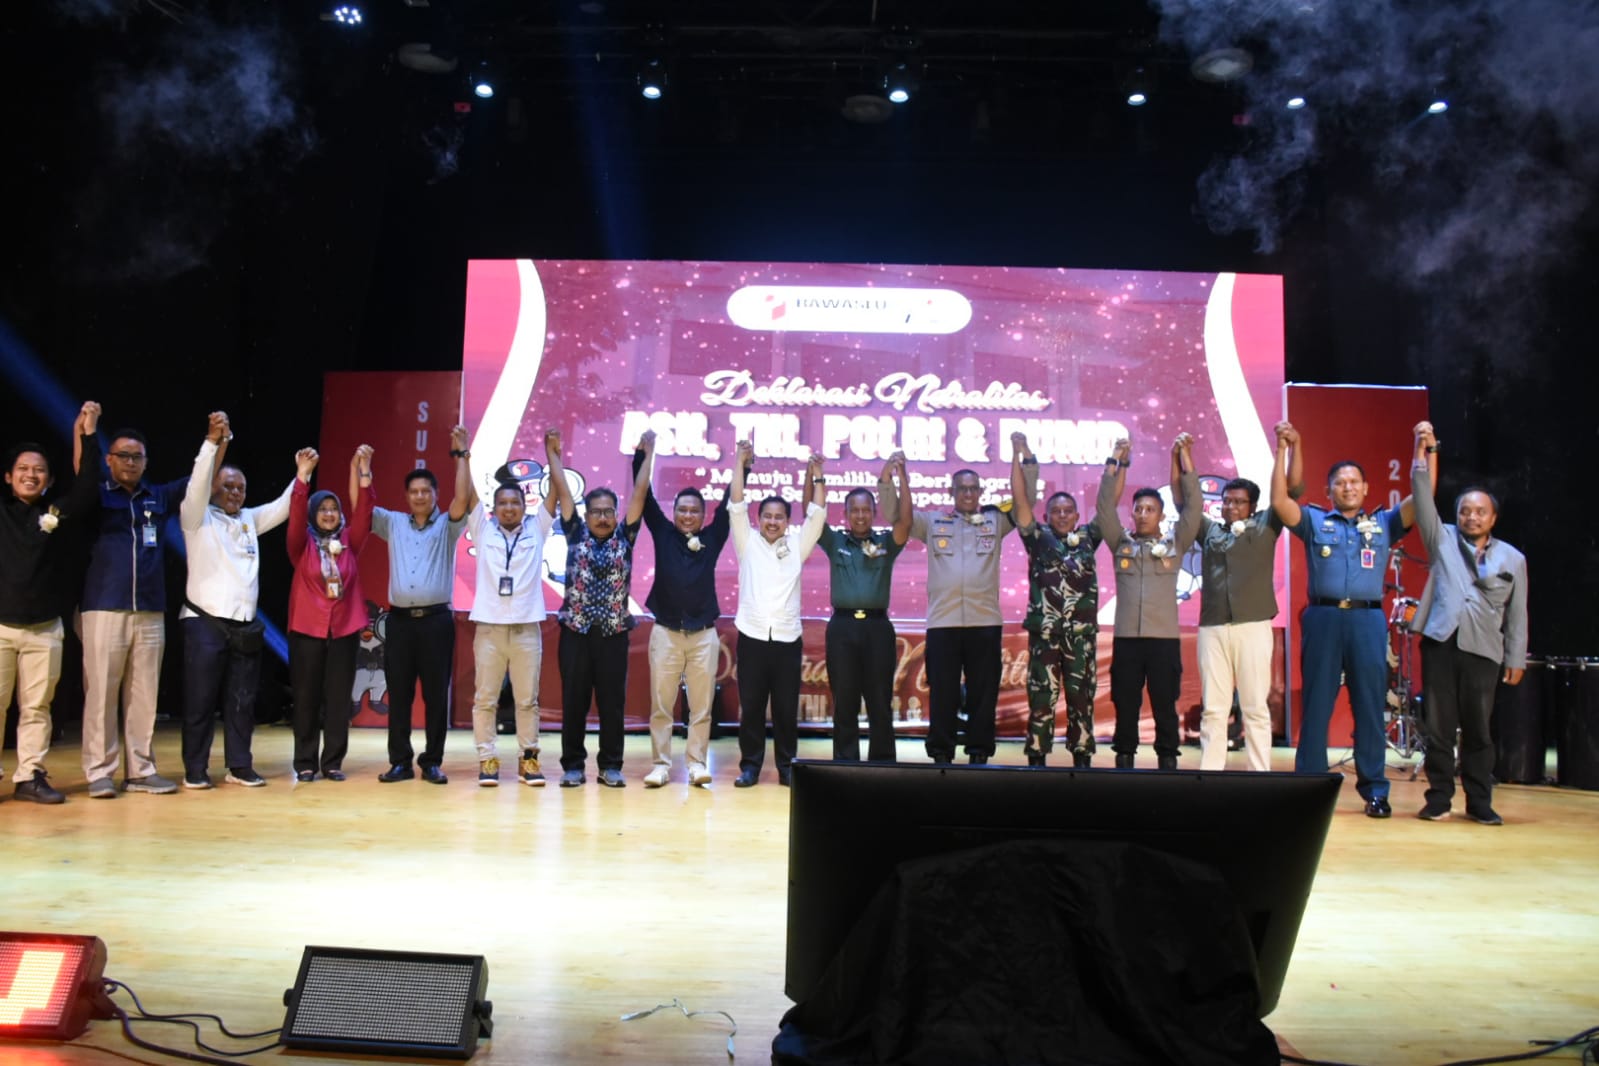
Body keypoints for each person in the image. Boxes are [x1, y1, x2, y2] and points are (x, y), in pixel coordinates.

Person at [1272, 420, 1431, 818]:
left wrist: (1422, 448)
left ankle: (1375, 790)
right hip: (1324, 618)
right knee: (1316, 706)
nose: (1347, 487)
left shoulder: (1384, 523)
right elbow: (1279, 503)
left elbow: (1422, 497)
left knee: (1369, 707)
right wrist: (1284, 449)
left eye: (1354, 482)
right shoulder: (1314, 521)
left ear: (1366, 488)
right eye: (1340, 483)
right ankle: (1307, 788)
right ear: (1329, 491)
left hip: (1367, 621)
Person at [80, 412, 226, 798]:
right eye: (123, 455)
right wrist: (86, 433)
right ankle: (99, 772)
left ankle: (141, 771)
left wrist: (215, 442)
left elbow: (202, 481)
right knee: (101, 693)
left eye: (137, 457)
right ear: (109, 459)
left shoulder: (156, 497)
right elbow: (81, 476)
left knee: (144, 694)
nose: (130, 462)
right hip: (104, 606)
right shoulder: (96, 495)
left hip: (149, 608)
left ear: (145, 462)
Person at [1408, 425, 1527, 825]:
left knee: (1479, 730)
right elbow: (1422, 498)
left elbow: (1518, 613)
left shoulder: (1513, 559)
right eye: (1464, 511)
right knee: (1438, 728)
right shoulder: (1441, 538)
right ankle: (1439, 798)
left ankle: (1479, 802)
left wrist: (1516, 658)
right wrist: (1422, 450)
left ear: (1493, 518)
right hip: (1441, 643)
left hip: (1484, 650)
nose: (1471, 517)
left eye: (1479, 512)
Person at [1173, 431, 1301, 772]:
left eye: (1238, 502)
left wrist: (1286, 449)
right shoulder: (1210, 530)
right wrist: (1182, 455)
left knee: (1254, 706)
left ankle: (1259, 775)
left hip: (1253, 626)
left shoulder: (1267, 524)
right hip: (1213, 627)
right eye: (1226, 501)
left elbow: (1290, 491)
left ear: (1252, 506)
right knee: (1214, 708)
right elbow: (1184, 502)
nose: (1230, 506)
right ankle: (1210, 774)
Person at [878, 458, 1019, 765]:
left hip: (985, 622)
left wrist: (1022, 459)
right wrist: (890, 479)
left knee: (983, 692)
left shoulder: (995, 521)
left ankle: (979, 751)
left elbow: (1024, 504)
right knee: (943, 691)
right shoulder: (933, 522)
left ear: (980, 492)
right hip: (944, 622)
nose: (968, 494)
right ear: (951, 492)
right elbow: (896, 516)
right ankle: (942, 752)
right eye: (962, 489)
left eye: (973, 488)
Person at [178, 425, 295, 788]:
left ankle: (239, 766)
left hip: (244, 625)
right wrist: (213, 443)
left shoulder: (248, 520)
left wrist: (303, 475)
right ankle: (195, 769)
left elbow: (282, 508)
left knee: (242, 702)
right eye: (227, 486)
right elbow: (198, 480)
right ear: (213, 488)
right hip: (205, 623)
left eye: (240, 488)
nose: (234, 493)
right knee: (200, 701)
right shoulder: (196, 516)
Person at [1, 402, 103, 804]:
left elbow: (88, 487)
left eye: (39, 470)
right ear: (8, 476)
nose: (31, 475)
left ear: (49, 479)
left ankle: (30, 775)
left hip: (45, 628)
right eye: (23, 469)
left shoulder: (55, 513)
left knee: (37, 707)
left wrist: (87, 434)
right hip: (2, 627)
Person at [548, 431, 652, 789]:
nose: (604, 517)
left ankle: (610, 766)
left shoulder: (625, 537)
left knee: (612, 704)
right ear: (586, 514)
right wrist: (553, 454)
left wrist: (648, 455)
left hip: (613, 636)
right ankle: (573, 766)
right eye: (597, 512)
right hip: (575, 634)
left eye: (609, 511)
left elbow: (640, 493)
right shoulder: (575, 533)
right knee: (574, 703)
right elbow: (563, 491)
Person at [371, 425, 473, 785]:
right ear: (406, 496)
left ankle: (432, 762)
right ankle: (400, 761)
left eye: (425, 491)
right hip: (399, 622)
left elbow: (463, 498)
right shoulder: (392, 523)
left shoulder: (446, 525)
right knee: (399, 694)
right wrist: (362, 471)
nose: (419, 496)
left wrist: (461, 454)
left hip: (436, 623)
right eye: (413, 491)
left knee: (435, 695)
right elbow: (362, 507)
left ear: (435, 494)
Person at [1096, 436, 1202, 769]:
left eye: (1150, 510)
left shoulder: (1175, 542)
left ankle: (1167, 757)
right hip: (1127, 638)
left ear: (1161, 515)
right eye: (1138, 509)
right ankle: (1125, 756)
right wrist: (1116, 462)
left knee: (1164, 703)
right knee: (1125, 702)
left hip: (1163, 640)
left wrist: (1185, 458)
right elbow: (1104, 508)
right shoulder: (1121, 544)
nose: (1143, 515)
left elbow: (1194, 508)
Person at [729, 443, 828, 788]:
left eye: (779, 517)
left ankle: (787, 767)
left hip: (787, 639)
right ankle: (750, 767)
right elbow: (736, 504)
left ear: (787, 521)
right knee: (752, 707)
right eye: (767, 516)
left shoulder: (797, 545)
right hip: (752, 637)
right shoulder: (747, 542)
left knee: (786, 709)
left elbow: (817, 514)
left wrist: (818, 475)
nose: (773, 522)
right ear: (759, 519)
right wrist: (739, 461)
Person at [463, 432, 558, 787]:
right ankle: (487, 759)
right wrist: (463, 456)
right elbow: (468, 493)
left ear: (524, 506)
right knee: (485, 699)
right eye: (502, 503)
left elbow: (556, 495)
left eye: (514, 502)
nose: (508, 508)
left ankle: (528, 760)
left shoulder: (537, 528)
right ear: (494, 507)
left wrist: (552, 454)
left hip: (526, 630)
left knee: (527, 701)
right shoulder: (483, 529)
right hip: (488, 629)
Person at [635, 440, 731, 787]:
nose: (687, 515)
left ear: (703, 516)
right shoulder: (663, 533)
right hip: (666, 632)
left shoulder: (713, 538)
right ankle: (660, 765)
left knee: (701, 708)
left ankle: (696, 763)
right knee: (662, 706)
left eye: (694, 511)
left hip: (704, 634)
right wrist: (643, 456)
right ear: (673, 512)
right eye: (682, 510)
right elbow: (644, 498)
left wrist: (743, 466)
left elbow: (729, 505)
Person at [1010, 432, 1104, 768]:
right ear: (1047, 516)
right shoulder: (1038, 538)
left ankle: (1082, 757)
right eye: (1056, 511)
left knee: (1081, 699)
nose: (1062, 515)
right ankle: (1037, 757)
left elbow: (1107, 503)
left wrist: (1117, 464)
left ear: (1077, 516)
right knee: (1041, 698)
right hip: (1046, 635)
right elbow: (1020, 501)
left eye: (1068, 511)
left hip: (1080, 637)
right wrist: (1018, 455)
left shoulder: (1089, 537)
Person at [286, 444, 375, 783]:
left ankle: (333, 761)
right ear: (314, 514)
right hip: (307, 630)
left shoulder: (350, 541)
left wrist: (364, 473)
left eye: (333, 509)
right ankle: (305, 762)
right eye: (322, 509)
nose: (328, 514)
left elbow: (364, 512)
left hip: (344, 631)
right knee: (306, 698)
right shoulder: (301, 545)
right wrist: (303, 478)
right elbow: (296, 515)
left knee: (339, 700)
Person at [816, 454, 913, 762]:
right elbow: (811, 514)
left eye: (866, 510)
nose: (860, 515)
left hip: (877, 629)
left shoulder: (886, 542)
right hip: (842, 628)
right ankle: (845, 765)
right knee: (844, 702)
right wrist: (815, 475)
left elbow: (905, 521)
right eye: (854, 510)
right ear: (845, 513)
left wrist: (902, 477)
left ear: (874, 512)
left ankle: (882, 766)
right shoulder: (835, 541)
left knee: (879, 701)